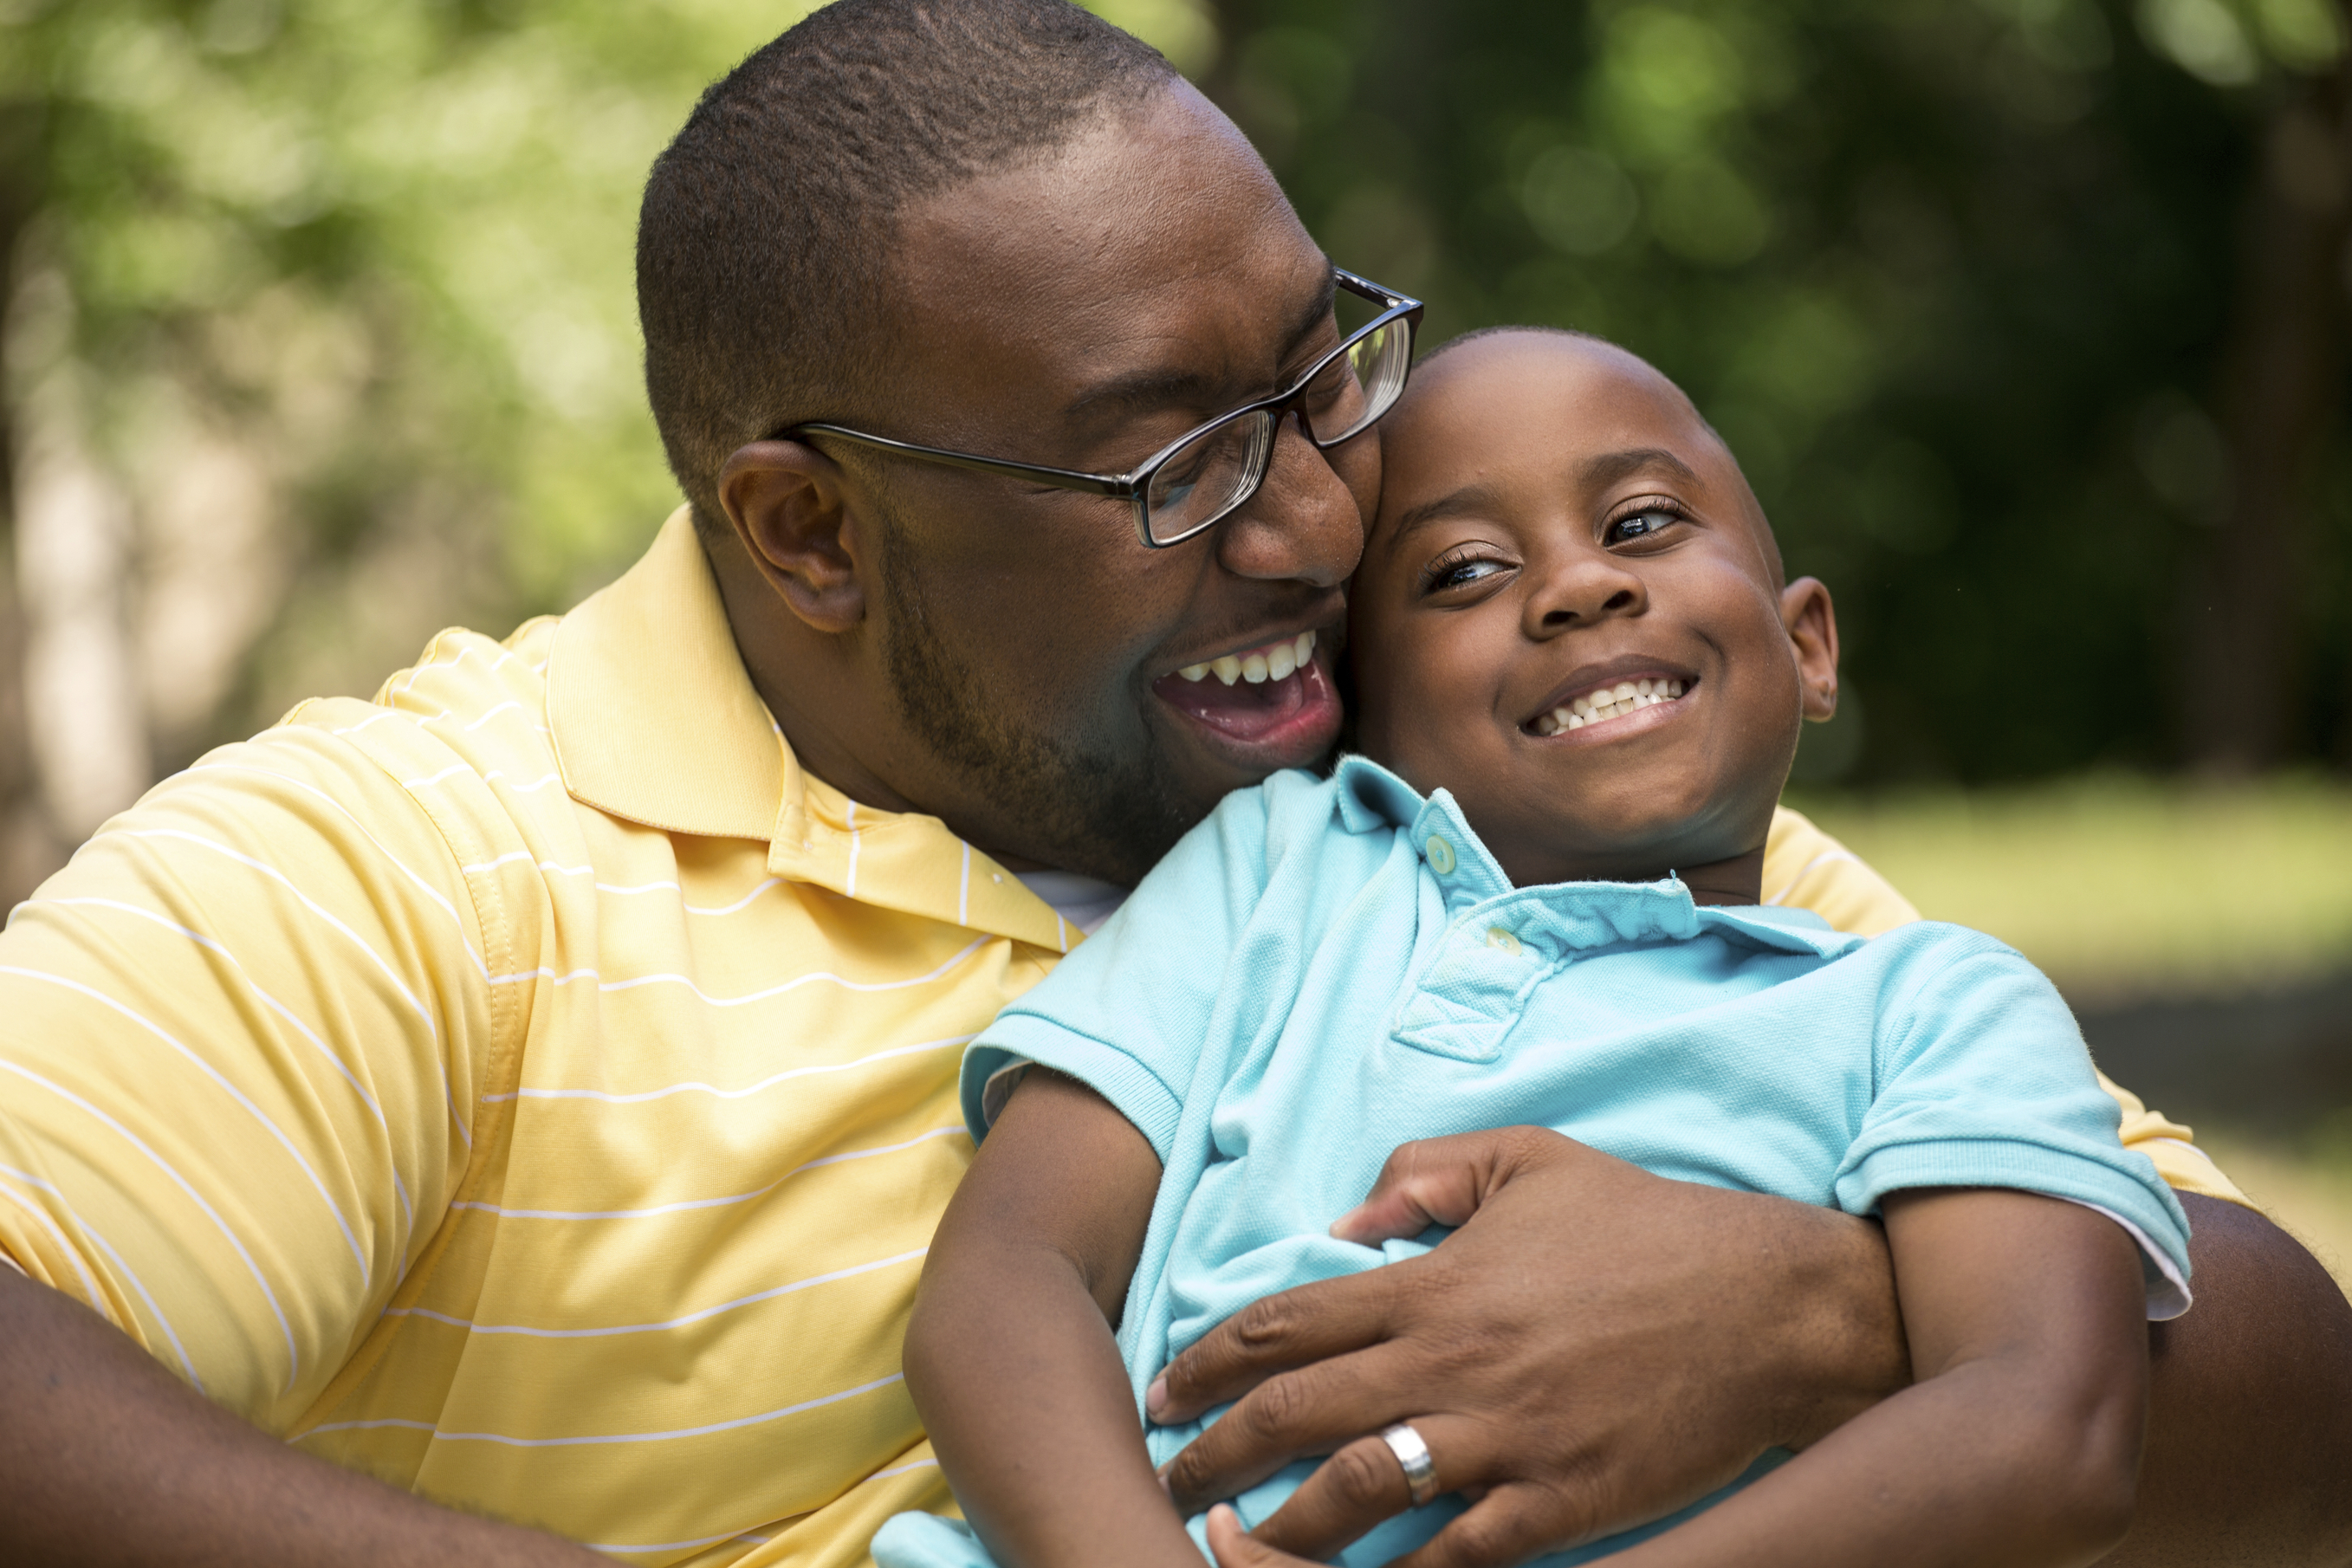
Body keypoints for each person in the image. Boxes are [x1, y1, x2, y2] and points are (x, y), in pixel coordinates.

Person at [0, 4, 2343, 1566]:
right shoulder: (433, 866)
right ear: (810, 528)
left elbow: (2280, 1410)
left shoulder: (1488, 800)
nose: (1319, 521)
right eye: (1174, 460)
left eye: (1319, 376)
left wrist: (1822, 1314)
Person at [873, 326, 2193, 1568]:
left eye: (1642, 523)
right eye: (1463, 575)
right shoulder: (1282, 869)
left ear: (1808, 646)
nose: (1576, 585)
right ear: (1367, 719)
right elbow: (1006, 1276)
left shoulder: (1934, 1007)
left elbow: (2050, 1421)